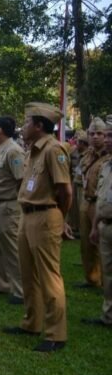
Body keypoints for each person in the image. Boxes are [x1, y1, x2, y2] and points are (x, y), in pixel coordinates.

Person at [3, 102, 71, 353]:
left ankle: (56, 333)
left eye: (27, 122)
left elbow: (65, 191)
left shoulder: (54, 150)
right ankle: (31, 322)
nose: (23, 127)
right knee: (28, 273)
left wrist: (58, 218)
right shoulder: (32, 151)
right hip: (27, 215)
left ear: (39, 125)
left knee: (49, 277)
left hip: (45, 215)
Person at [0, 116, 26, 305]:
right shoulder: (2, 151)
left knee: (11, 248)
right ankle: (3, 284)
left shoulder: (14, 151)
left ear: (0, 130)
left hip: (8, 206)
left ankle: (20, 290)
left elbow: (20, 181)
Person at [87, 117, 112, 328]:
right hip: (104, 223)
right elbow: (101, 198)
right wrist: (95, 226)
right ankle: (108, 315)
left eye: (109, 136)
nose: (107, 140)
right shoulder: (107, 166)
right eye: (108, 135)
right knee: (108, 272)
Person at [78, 117, 109, 288]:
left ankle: (106, 281)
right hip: (86, 200)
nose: (95, 136)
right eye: (92, 133)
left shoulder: (108, 156)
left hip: (100, 202)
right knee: (86, 243)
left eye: (100, 133)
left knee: (102, 244)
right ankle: (91, 277)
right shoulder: (88, 155)